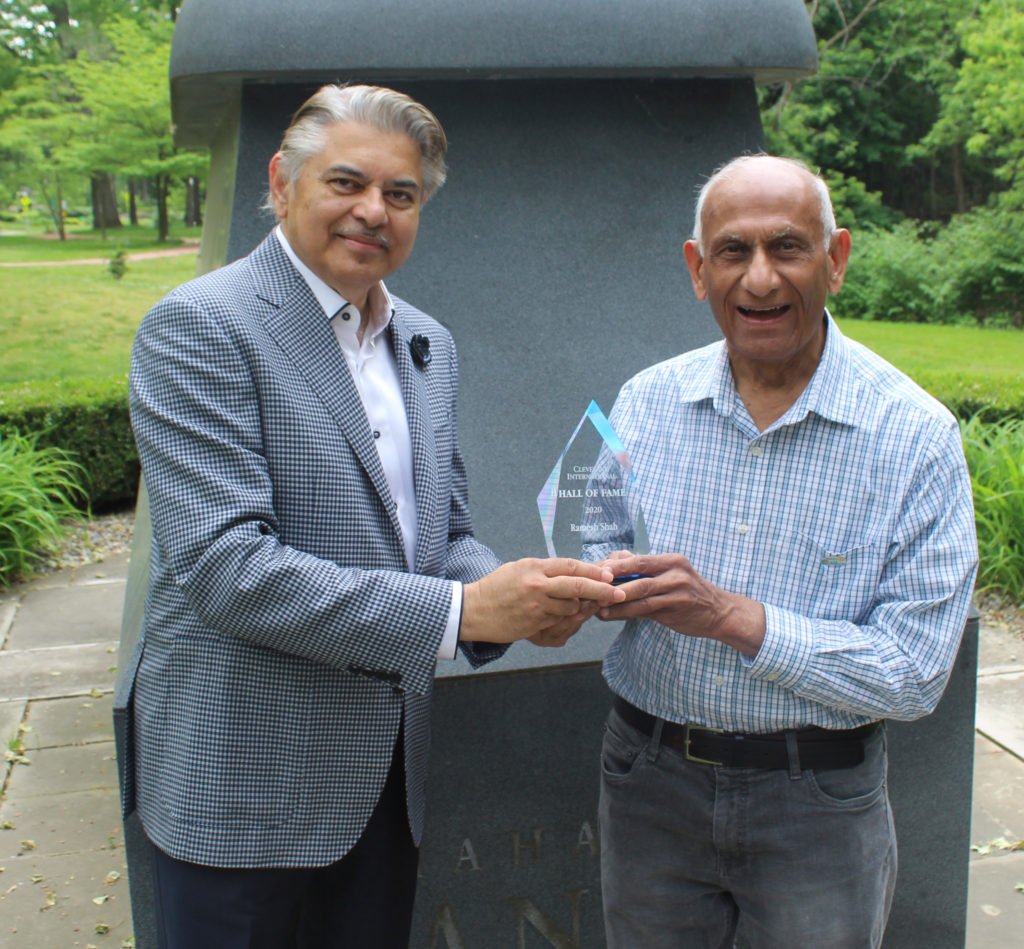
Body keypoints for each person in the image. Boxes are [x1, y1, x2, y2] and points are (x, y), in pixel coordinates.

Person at [124, 83, 622, 949]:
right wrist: (467, 611)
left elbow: (443, 534)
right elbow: (227, 571)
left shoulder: (426, 341)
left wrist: (521, 593)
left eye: (401, 194)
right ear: (281, 182)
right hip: (242, 789)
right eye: (345, 182)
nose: (373, 211)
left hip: (386, 790)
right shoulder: (199, 327)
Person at [595, 154, 978, 948]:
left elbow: (913, 674)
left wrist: (740, 620)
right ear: (698, 270)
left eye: (788, 247)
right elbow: (591, 534)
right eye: (733, 251)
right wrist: (584, 584)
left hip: (818, 799)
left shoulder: (915, 436)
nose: (760, 280)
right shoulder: (642, 401)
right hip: (648, 782)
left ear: (835, 259)